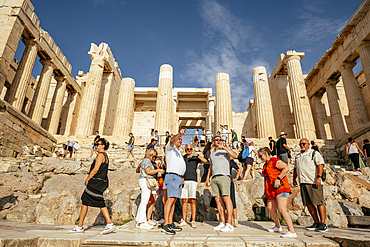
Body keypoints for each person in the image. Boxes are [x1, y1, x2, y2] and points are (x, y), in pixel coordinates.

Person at [68, 138, 116, 234]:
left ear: (103, 146)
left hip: (95, 182)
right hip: (101, 182)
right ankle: (80, 226)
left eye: (98, 144)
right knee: (86, 201)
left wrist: (88, 178)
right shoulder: (105, 156)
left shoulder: (100, 155)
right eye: (95, 145)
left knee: (98, 202)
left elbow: (96, 169)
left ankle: (109, 223)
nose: (96, 146)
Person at [258, 147, 297, 238]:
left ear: (266, 153)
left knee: (282, 208)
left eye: (261, 156)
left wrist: (278, 178)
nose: (260, 158)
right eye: (259, 156)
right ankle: (277, 226)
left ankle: (292, 231)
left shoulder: (275, 160)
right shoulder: (265, 165)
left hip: (281, 187)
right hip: (271, 190)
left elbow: (286, 168)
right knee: (270, 207)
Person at [293, 138, 327, 232]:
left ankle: (323, 224)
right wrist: (294, 179)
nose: (302, 145)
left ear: (308, 144)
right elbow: (296, 168)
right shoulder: (298, 156)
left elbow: (320, 164)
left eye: (304, 144)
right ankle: (316, 222)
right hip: (303, 182)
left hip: (313, 181)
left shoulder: (314, 153)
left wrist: (319, 177)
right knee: (308, 203)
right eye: (300, 144)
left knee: (319, 202)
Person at [205, 135, 238, 232]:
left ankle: (230, 223)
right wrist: (207, 179)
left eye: (220, 140)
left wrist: (224, 148)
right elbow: (211, 167)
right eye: (217, 140)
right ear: (213, 142)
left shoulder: (225, 151)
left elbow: (235, 156)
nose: (219, 141)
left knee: (226, 198)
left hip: (224, 176)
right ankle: (222, 222)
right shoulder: (212, 154)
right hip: (214, 177)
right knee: (217, 200)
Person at [162, 129, 187, 235]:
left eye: (181, 139)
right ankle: (165, 224)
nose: (180, 141)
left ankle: (170, 222)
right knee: (170, 200)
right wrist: (179, 134)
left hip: (178, 177)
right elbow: (172, 141)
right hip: (172, 176)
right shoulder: (170, 148)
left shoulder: (178, 152)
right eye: (179, 139)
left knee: (173, 200)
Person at [178, 144, 207, 228]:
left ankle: (193, 220)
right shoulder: (183, 158)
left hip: (193, 180)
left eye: (190, 149)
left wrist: (197, 155)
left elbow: (205, 161)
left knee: (192, 200)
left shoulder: (195, 157)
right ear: (185, 150)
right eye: (187, 149)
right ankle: (184, 220)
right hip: (184, 180)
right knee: (184, 201)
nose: (189, 150)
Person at [135, 149, 165, 229]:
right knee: (144, 201)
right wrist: (158, 170)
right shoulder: (147, 160)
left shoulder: (147, 161)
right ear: (150, 154)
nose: (155, 158)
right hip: (145, 181)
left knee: (144, 201)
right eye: (154, 156)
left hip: (147, 181)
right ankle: (142, 222)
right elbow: (148, 172)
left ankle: (139, 220)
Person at [230, 160, 241, 227]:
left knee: (232, 200)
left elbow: (239, 170)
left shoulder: (230, 161)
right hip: (221, 181)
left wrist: (236, 177)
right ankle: (221, 219)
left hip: (229, 181)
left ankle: (235, 219)